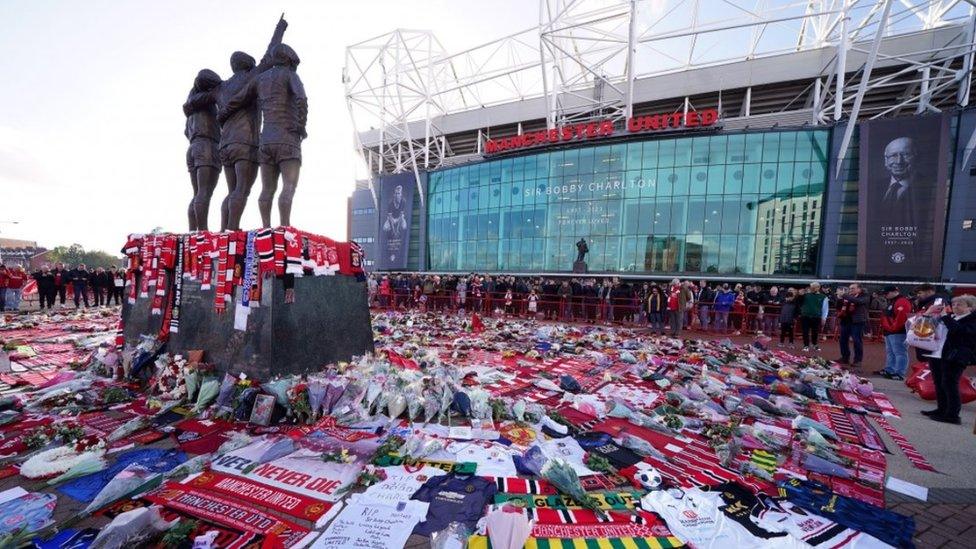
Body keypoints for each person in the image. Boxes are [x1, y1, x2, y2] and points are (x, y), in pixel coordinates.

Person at [922, 295, 976, 425]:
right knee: (939, 382)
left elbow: (958, 331)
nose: (955, 307)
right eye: (954, 304)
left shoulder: (972, 321)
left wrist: (945, 317)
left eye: (960, 305)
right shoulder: (952, 318)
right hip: (941, 354)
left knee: (950, 384)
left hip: (957, 356)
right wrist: (931, 314)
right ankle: (942, 409)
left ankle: (952, 415)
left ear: (970, 307)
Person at [877, 285, 912, 380]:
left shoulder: (902, 301)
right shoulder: (894, 301)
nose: (885, 295)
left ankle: (899, 373)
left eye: (886, 293)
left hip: (897, 332)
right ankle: (890, 370)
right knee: (891, 352)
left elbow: (901, 318)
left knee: (899, 352)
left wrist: (893, 328)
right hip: (890, 331)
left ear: (894, 292)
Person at [836, 283, 869, 368]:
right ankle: (845, 357)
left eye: (853, 288)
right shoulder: (848, 297)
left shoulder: (864, 296)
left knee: (857, 340)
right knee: (842, 340)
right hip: (846, 320)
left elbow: (858, 301)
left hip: (857, 322)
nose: (850, 290)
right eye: (850, 289)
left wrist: (844, 295)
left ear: (859, 289)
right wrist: (839, 298)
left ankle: (858, 360)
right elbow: (839, 306)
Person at [800, 282, 827, 352]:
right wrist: (800, 295)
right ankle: (806, 345)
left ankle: (814, 344)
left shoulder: (823, 297)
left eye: (814, 287)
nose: (812, 288)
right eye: (811, 287)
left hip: (816, 317)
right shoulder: (805, 295)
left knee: (815, 332)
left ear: (818, 287)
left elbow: (825, 308)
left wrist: (824, 318)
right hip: (805, 316)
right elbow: (799, 302)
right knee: (805, 332)